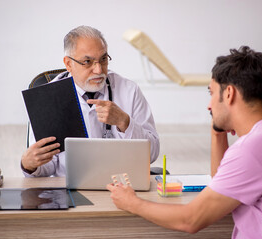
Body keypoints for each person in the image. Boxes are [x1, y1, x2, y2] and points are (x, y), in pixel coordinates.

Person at [107, 46, 262, 239]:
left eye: (211, 93)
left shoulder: (254, 149)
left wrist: (132, 203)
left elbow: (190, 220)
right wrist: (217, 132)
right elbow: (223, 182)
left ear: (229, 93)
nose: (209, 105)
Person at [21, 26, 160, 177]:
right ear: (68, 64)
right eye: (87, 61)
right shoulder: (47, 99)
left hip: (121, 185)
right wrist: (29, 165)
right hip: (69, 189)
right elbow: (47, 167)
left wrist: (125, 122)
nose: (99, 70)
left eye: (103, 59)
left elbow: (151, 154)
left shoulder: (129, 90)